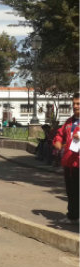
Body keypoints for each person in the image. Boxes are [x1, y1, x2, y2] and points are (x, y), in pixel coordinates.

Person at [52, 93, 79, 225]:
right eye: (73, 104)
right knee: (71, 191)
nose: (75, 106)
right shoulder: (69, 122)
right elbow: (59, 135)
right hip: (69, 163)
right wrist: (57, 142)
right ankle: (72, 216)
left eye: (78, 104)